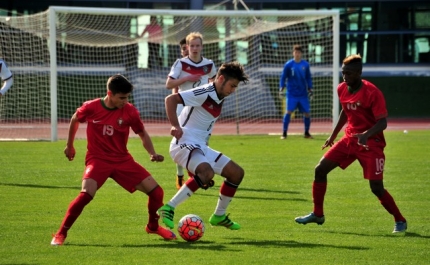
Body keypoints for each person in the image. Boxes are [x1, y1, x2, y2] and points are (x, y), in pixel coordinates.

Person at [51, 74, 176, 246]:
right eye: (121, 98)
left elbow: (141, 133)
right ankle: (60, 233)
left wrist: (152, 153)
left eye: (127, 97)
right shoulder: (92, 107)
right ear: (110, 93)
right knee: (86, 195)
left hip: (122, 160)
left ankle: (153, 226)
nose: (125, 101)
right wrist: (69, 145)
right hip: (98, 160)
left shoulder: (130, 111)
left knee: (157, 192)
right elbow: (75, 118)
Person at [294, 54, 407, 233]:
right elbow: (346, 112)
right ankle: (318, 213)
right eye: (343, 73)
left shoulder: (372, 92)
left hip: (371, 143)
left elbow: (383, 122)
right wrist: (333, 136)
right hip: (349, 140)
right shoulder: (342, 88)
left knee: (376, 188)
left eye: (349, 74)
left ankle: (400, 220)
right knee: (320, 169)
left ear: (359, 73)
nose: (345, 77)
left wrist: (366, 135)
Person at [158, 61, 249, 231]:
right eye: (232, 85)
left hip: (199, 146)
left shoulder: (219, 95)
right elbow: (170, 99)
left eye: (235, 87)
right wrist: (175, 126)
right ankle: (168, 208)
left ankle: (219, 215)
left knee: (236, 173)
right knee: (206, 172)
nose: (233, 90)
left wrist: (196, 171)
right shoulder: (205, 92)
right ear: (220, 78)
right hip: (183, 143)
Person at [166, 32, 217, 189]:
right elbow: (169, 84)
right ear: (187, 47)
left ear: (202, 46)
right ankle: (181, 174)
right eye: (192, 46)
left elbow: (215, 81)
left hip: (202, 109)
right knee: (181, 142)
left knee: (202, 141)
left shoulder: (209, 64)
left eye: (197, 45)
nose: (195, 48)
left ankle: (199, 173)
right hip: (184, 106)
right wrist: (187, 78)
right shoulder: (180, 63)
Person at [279, 44, 313, 139]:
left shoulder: (305, 65)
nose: (297, 54)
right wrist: (281, 87)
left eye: (299, 52)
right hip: (291, 94)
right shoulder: (288, 65)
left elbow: (308, 78)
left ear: (301, 54)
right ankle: (284, 133)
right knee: (288, 112)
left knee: (307, 113)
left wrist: (310, 88)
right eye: (295, 52)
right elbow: (283, 77)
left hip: (303, 94)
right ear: (293, 53)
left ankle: (306, 133)